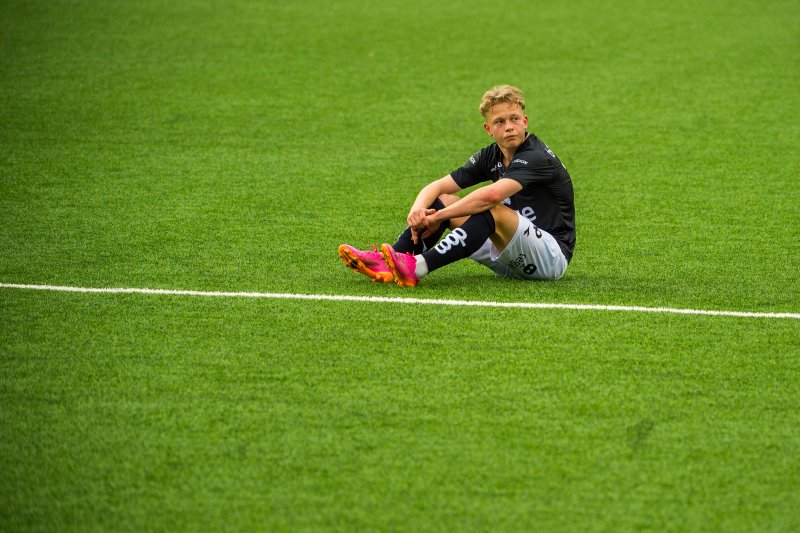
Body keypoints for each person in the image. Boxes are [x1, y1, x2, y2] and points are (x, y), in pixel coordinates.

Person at [338, 84, 575, 287]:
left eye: (514, 119)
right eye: (499, 122)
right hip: (510, 255)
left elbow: (492, 195)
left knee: (488, 206)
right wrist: (418, 211)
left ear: (525, 121)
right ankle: (389, 261)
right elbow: (437, 186)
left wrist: (437, 217)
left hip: (550, 258)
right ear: (489, 129)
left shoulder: (536, 156)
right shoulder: (490, 155)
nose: (509, 127)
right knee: (445, 199)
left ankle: (418, 267)